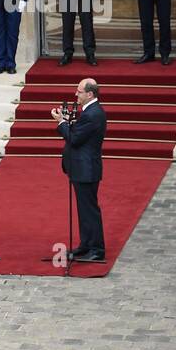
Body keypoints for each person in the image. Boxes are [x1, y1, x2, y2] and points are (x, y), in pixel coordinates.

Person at [53, 78, 107, 263]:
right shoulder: (90, 112)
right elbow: (79, 132)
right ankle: (86, 244)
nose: (76, 94)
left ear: (90, 94)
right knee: (84, 210)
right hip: (82, 168)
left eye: (79, 91)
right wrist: (69, 121)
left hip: (86, 169)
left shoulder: (93, 114)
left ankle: (97, 249)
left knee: (89, 210)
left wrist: (61, 123)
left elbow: (74, 139)